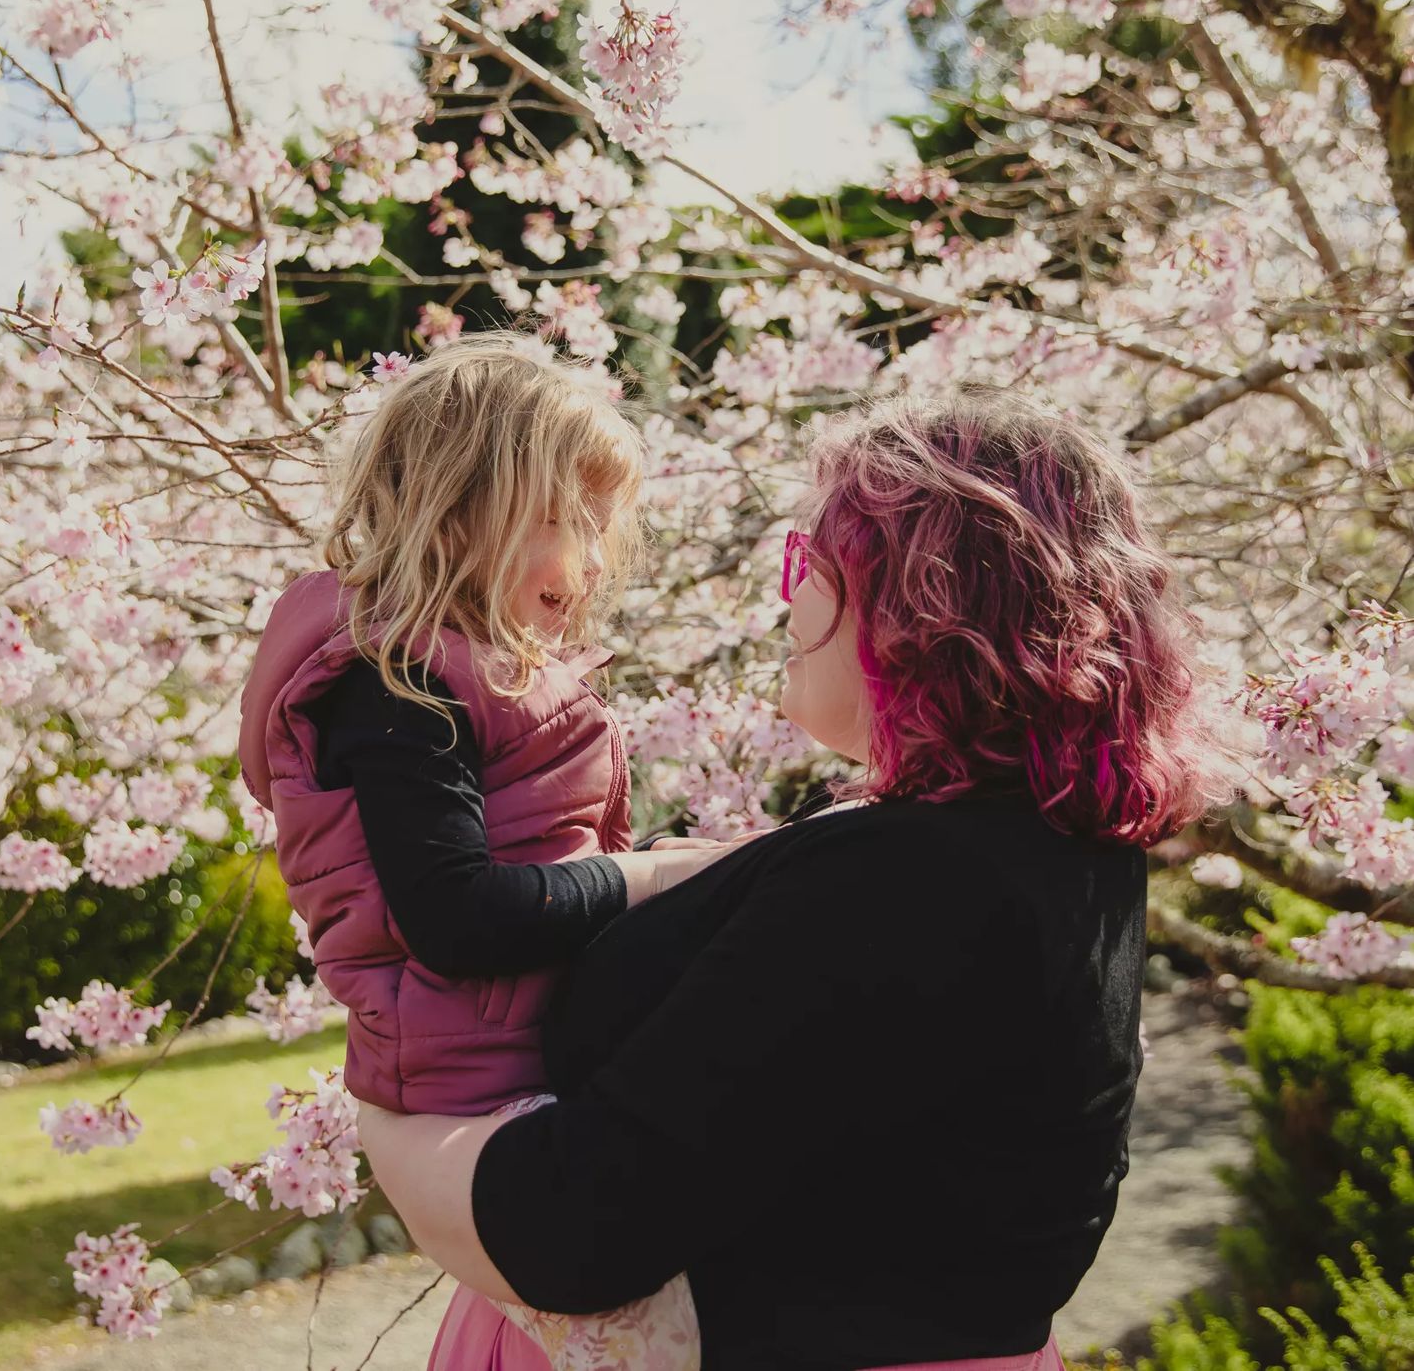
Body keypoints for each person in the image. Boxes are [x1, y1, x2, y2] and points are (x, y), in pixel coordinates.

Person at [356, 386, 1229, 1371]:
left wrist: (389, 1120)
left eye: (807, 560)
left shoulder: (908, 882)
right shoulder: (1059, 854)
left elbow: (575, 1229)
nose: (788, 593)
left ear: (918, 598)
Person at [237, 334, 719, 1370]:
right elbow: (456, 920)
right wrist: (660, 876)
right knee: (681, 1336)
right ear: (463, 509)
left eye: (605, 527)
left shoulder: (466, 672)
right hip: (473, 1081)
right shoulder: (397, 685)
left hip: (522, 1059)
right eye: (569, 519)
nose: (594, 559)